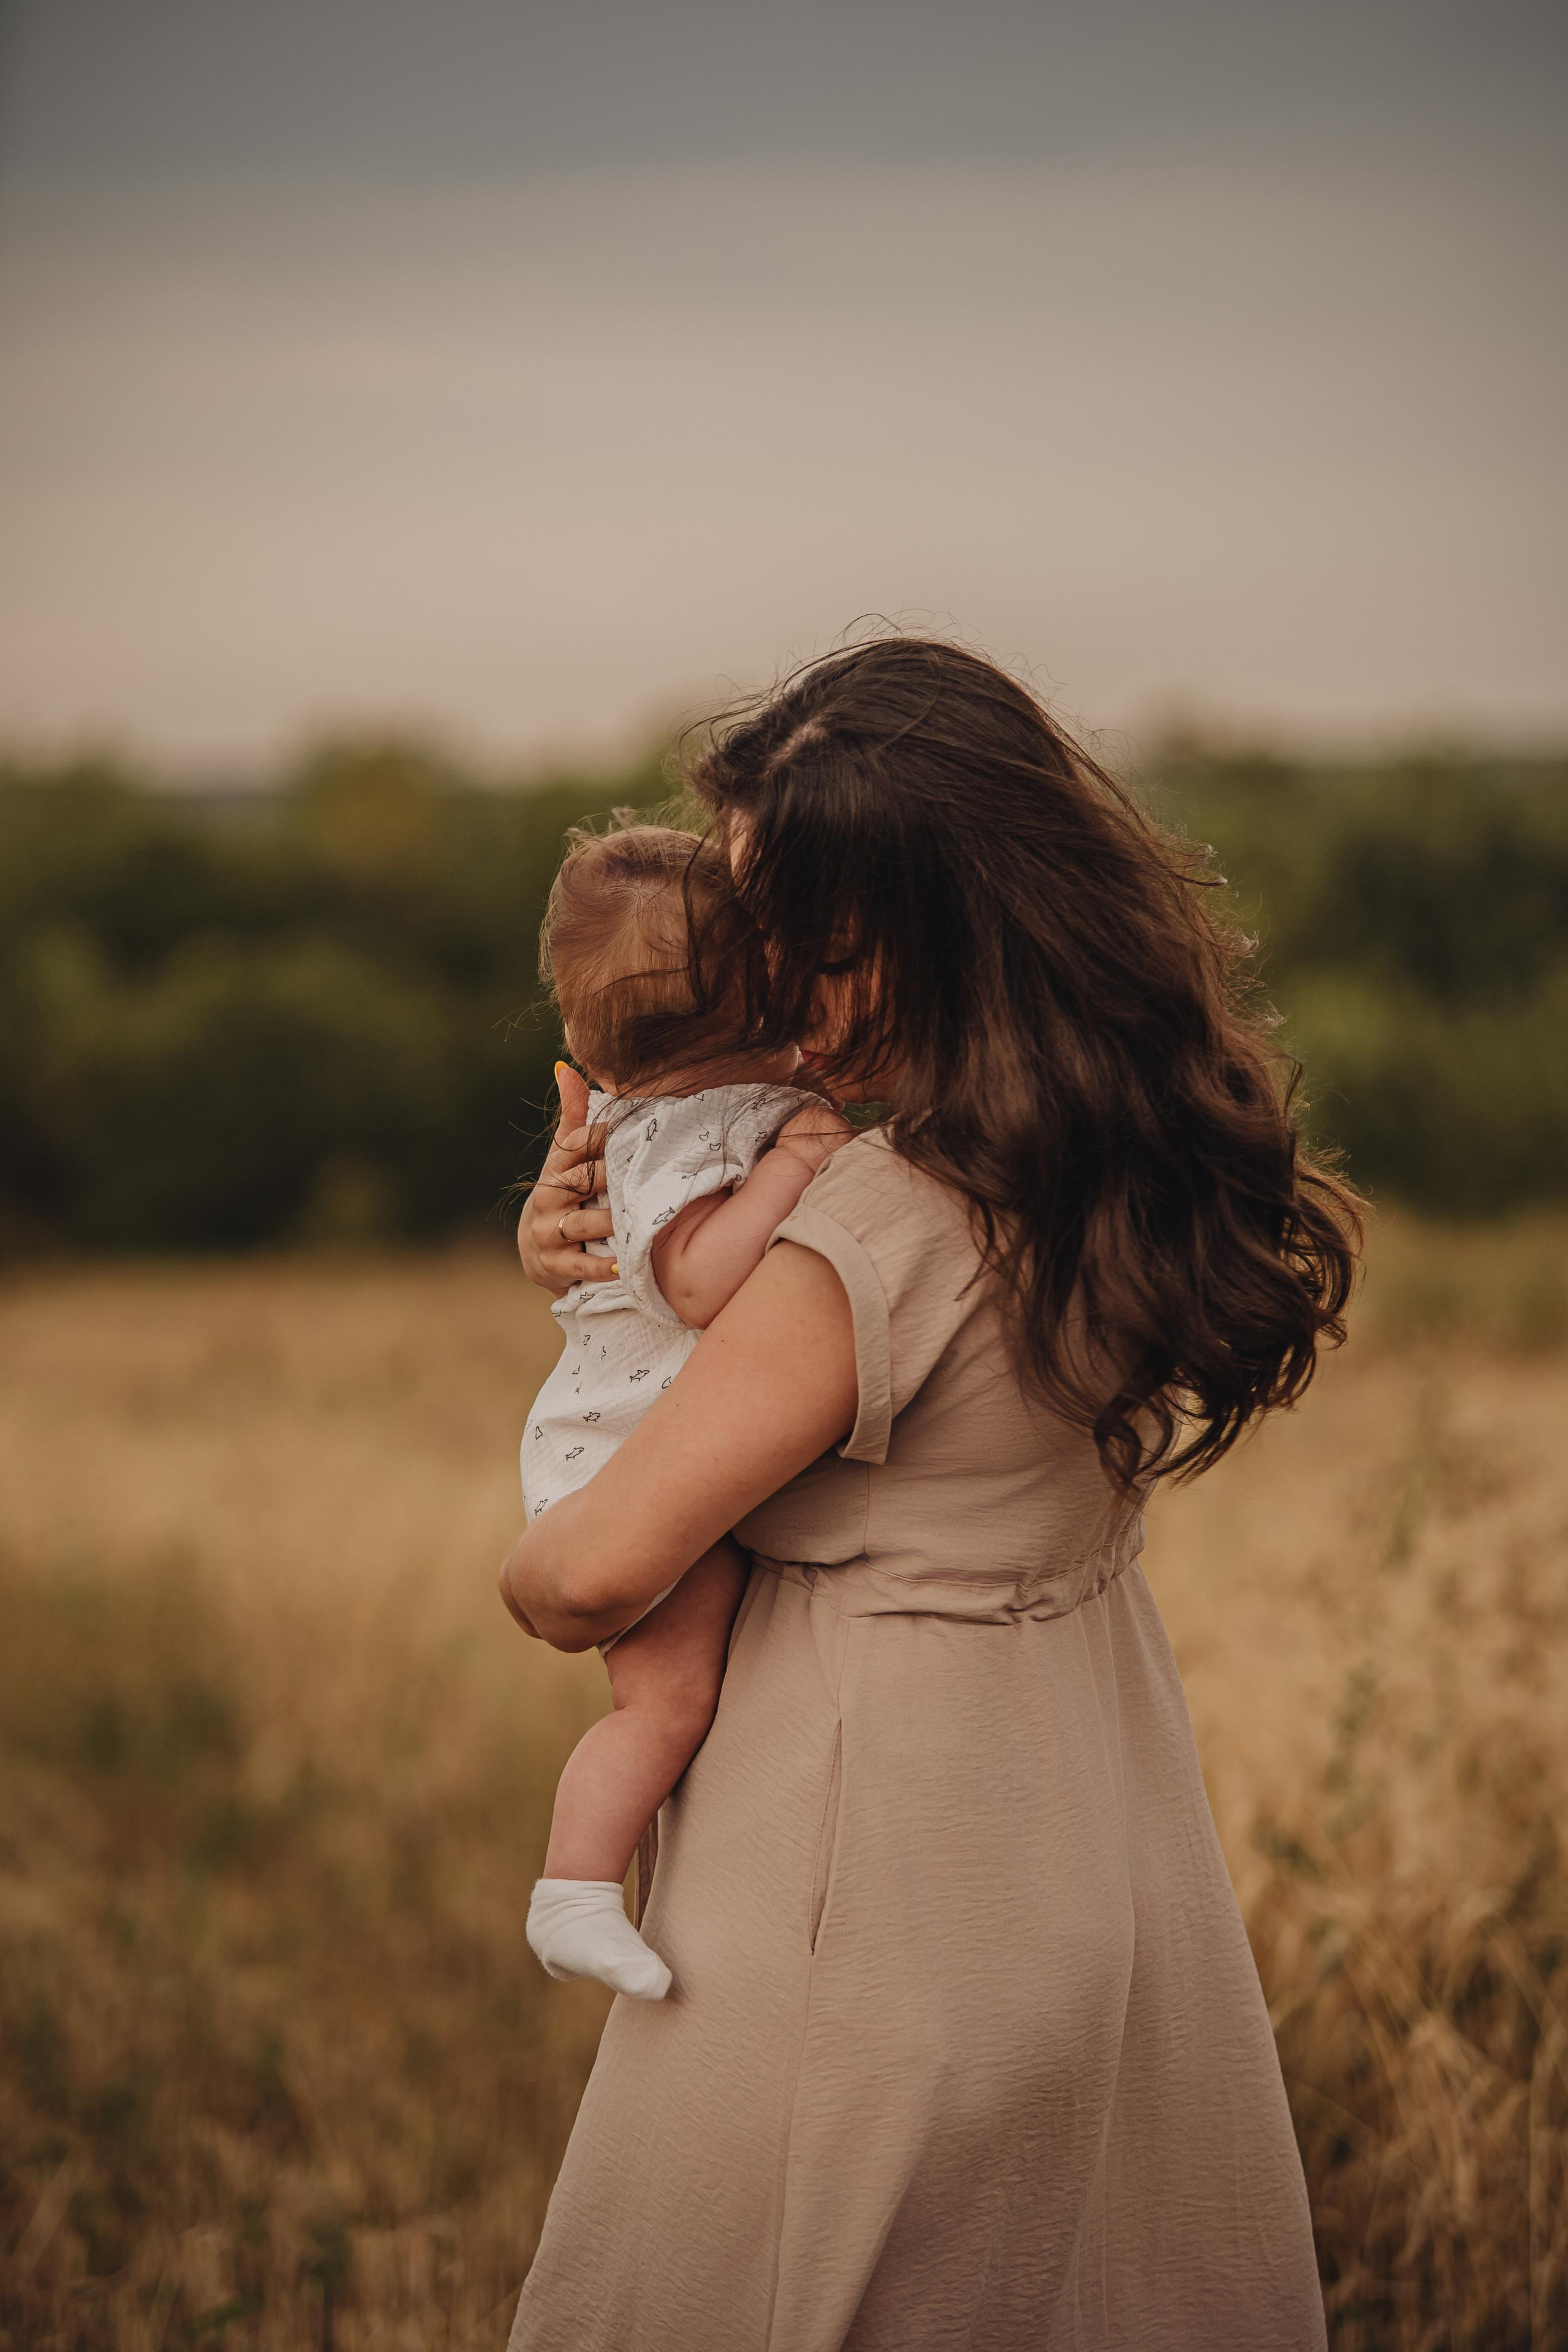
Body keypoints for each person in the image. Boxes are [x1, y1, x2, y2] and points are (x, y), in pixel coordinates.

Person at [500, 639, 1357, 2351]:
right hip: (1090, 1802)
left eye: (797, 939)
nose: (755, 986)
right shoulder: (1120, 1155)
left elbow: (590, 1580)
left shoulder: (861, 1238)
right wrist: (606, 1255)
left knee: (791, 2281)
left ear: (924, 931)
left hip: (865, 1846)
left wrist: (551, 1500)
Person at [514, 823, 849, 2002]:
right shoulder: (684, 1137)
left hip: (646, 1429)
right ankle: (574, 1890)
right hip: (624, 1453)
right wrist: (795, 1167)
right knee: (667, 1699)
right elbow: (700, 1279)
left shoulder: (681, 1108)